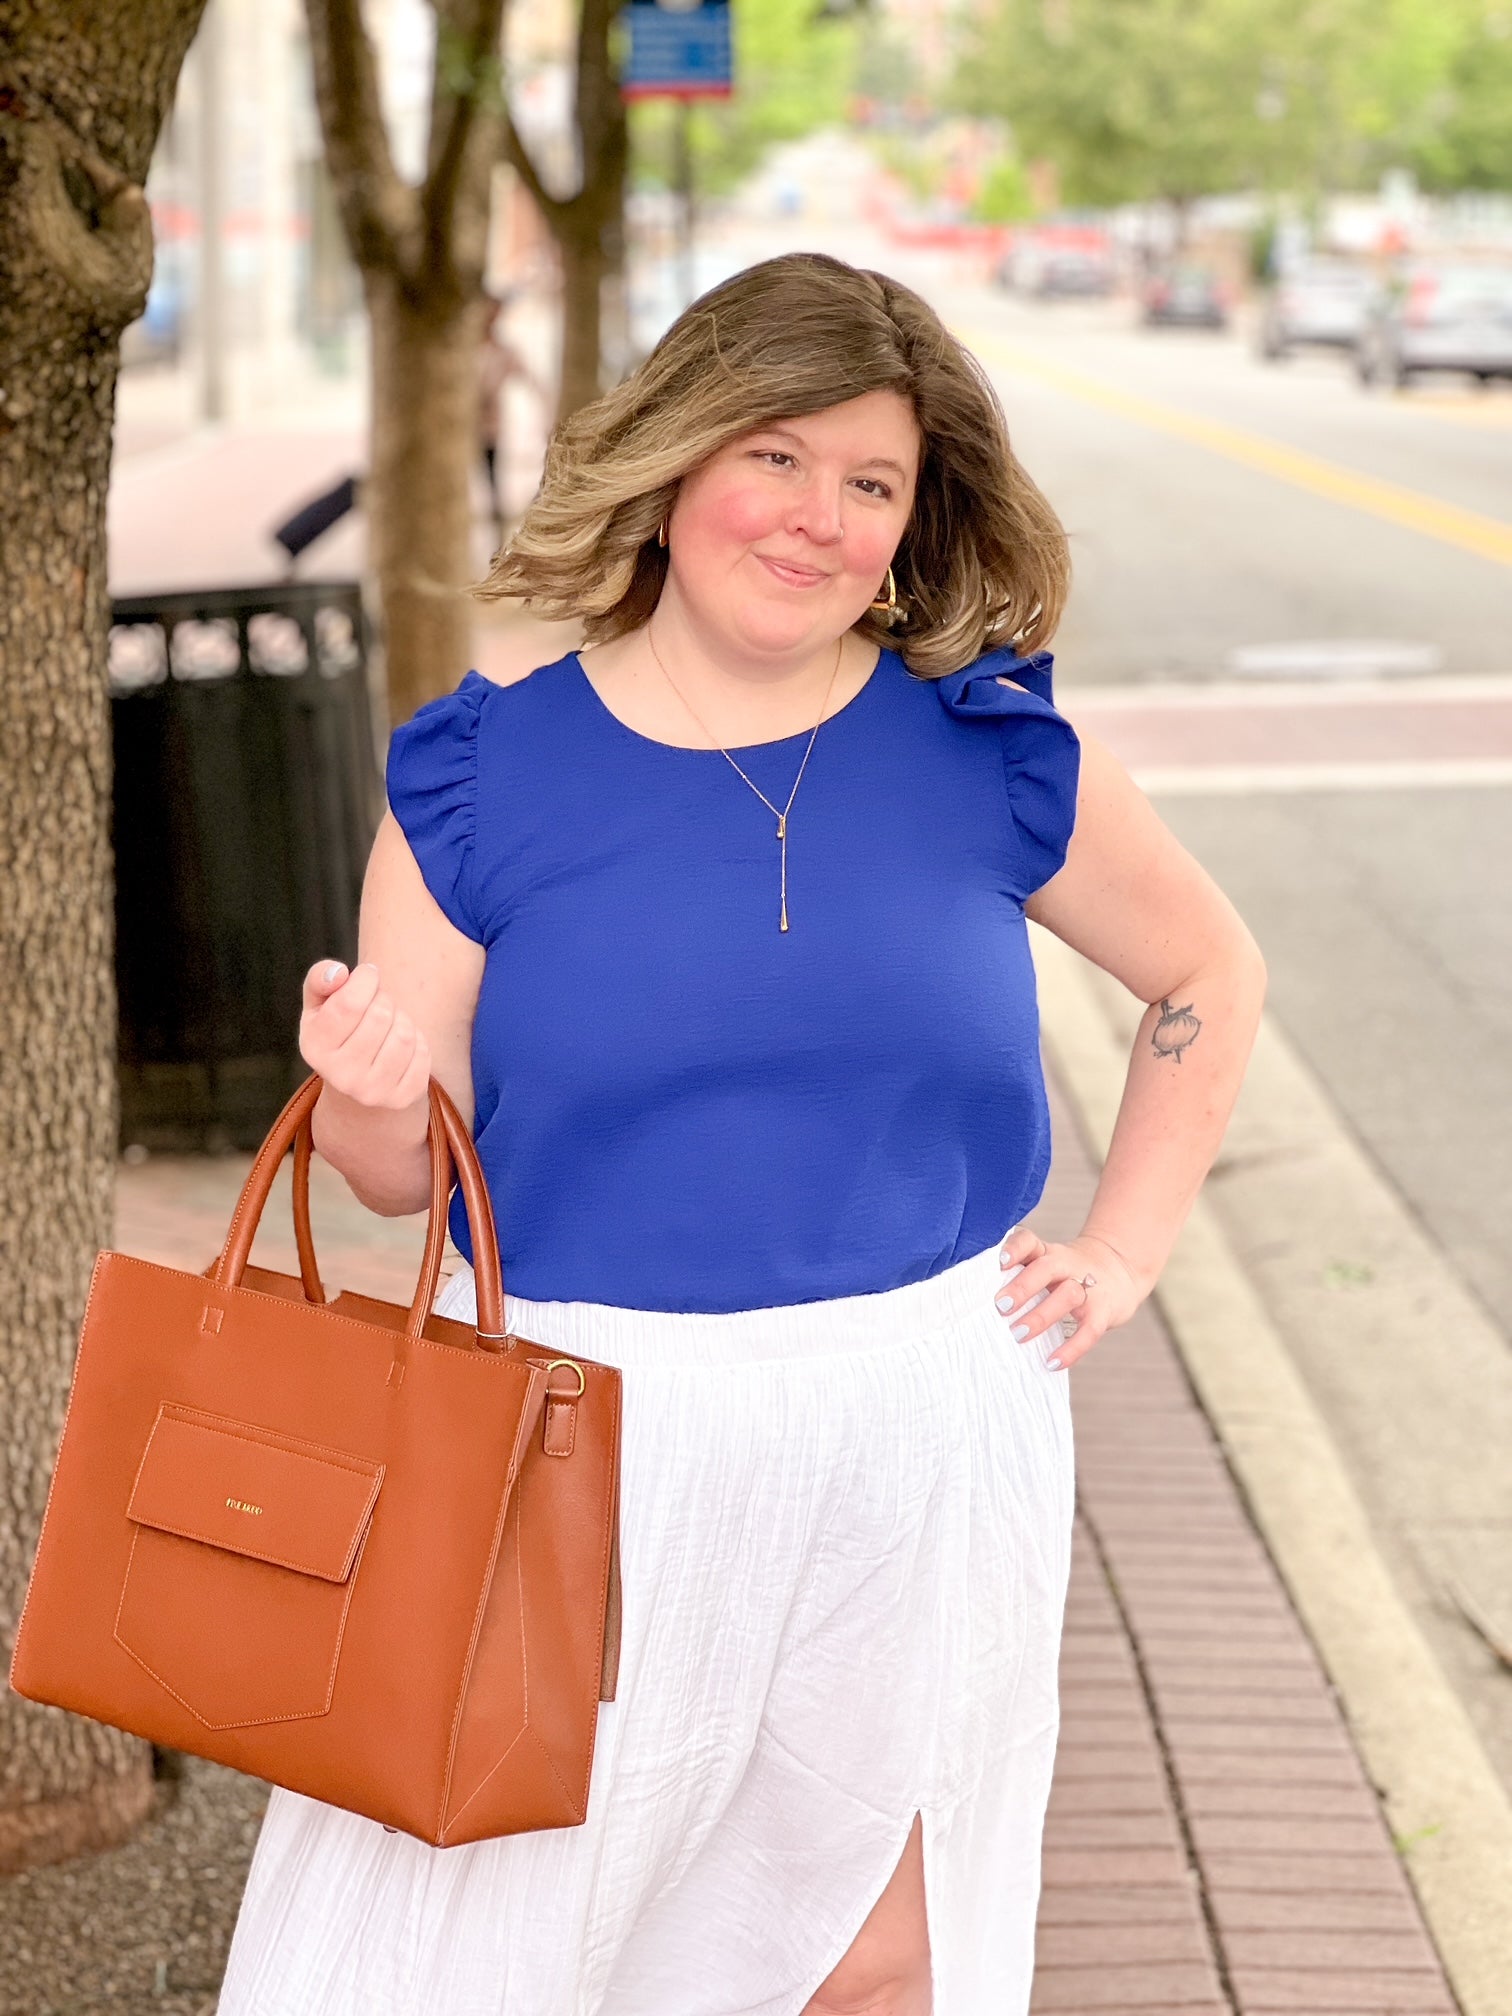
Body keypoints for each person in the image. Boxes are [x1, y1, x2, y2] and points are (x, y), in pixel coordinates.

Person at [215, 251, 1266, 2015]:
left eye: (874, 485)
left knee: (877, 1961)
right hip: (579, 1439)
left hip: (919, 1431)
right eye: (777, 457)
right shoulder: (483, 779)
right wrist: (372, 1100)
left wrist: (1128, 1245)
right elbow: (403, 1179)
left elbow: (1207, 973)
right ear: (677, 457)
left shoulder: (985, 748)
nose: (818, 521)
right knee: (511, 1947)